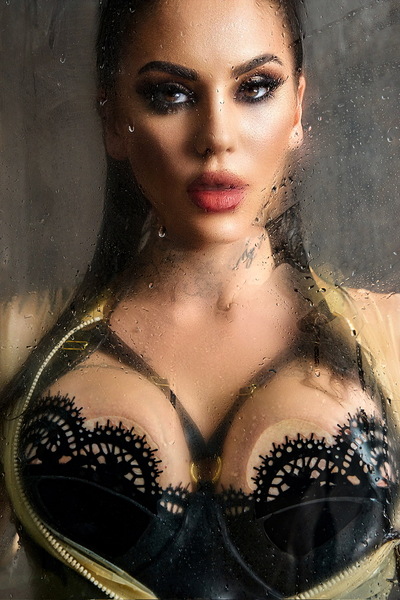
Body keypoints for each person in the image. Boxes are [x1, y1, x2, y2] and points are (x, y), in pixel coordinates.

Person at [1, 0, 400, 598]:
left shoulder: (390, 340)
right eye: (170, 94)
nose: (217, 138)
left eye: (255, 88)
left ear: (298, 108)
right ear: (113, 119)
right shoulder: (17, 341)